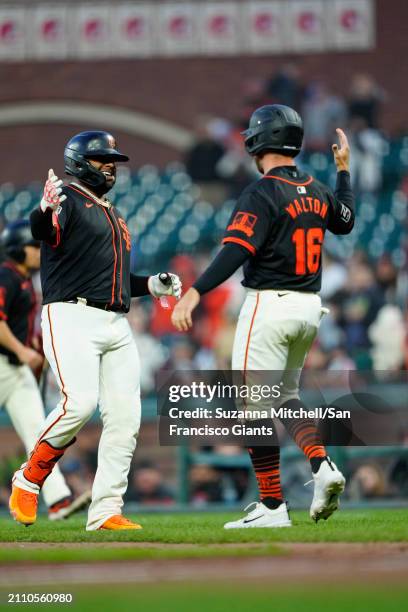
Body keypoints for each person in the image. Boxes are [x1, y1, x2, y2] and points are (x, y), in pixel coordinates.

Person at [172, 104, 355, 528]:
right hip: (310, 309)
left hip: (269, 305)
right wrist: (343, 171)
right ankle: (322, 466)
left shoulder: (261, 192)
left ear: (257, 142)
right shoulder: (318, 187)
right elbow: (345, 222)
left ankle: (273, 507)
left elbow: (237, 250)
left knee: (253, 408)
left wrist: (195, 292)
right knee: (286, 398)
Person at [9, 131, 181, 531]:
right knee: (79, 403)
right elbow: (43, 230)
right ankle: (30, 477)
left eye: (113, 161)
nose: (110, 166)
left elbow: (116, 281)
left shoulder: (113, 214)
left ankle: (105, 509)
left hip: (114, 322)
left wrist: (152, 284)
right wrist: (43, 207)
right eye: (103, 159)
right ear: (81, 162)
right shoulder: (67, 198)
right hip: (71, 315)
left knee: (125, 417)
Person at [0, 220, 90, 520]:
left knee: (39, 434)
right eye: (31, 246)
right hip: (3, 364)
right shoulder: (6, 275)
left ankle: (58, 500)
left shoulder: (25, 280)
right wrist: (22, 350)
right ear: (15, 249)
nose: (38, 251)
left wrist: (34, 350)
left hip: (16, 371)